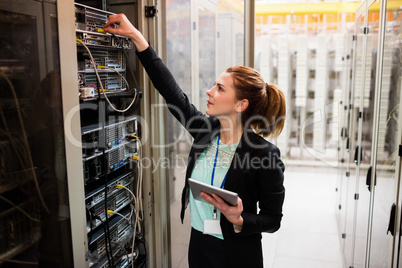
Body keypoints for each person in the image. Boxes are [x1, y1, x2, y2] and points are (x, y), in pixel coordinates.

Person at [104, 14, 286, 268]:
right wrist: (137, 37)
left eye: (220, 88)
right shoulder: (205, 130)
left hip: (235, 252)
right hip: (199, 245)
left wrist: (240, 219)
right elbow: (172, 93)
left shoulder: (264, 154)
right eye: (214, 85)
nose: (210, 92)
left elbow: (272, 219)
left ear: (240, 104)